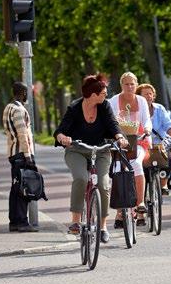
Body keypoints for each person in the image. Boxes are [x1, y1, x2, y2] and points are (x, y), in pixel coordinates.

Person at [54, 74, 129, 243]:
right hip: (77, 150)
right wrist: (63, 138)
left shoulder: (104, 107)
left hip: (100, 150)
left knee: (103, 185)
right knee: (81, 178)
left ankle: (102, 227)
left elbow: (113, 124)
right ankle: (75, 221)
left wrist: (120, 137)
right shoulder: (74, 108)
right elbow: (60, 130)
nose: (106, 96)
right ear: (93, 94)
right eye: (103, 93)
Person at [108, 72, 152, 228]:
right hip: (119, 142)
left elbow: (146, 119)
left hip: (138, 140)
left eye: (132, 84)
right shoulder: (113, 101)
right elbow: (111, 121)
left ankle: (140, 202)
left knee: (137, 165)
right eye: (126, 84)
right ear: (121, 85)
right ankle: (120, 211)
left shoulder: (141, 101)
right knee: (118, 170)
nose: (130, 87)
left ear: (136, 84)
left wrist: (147, 128)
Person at [2, 82, 38, 232]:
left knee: (15, 189)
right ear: (23, 92)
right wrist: (28, 156)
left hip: (13, 152)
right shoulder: (17, 110)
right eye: (27, 91)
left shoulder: (8, 107)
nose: (28, 94)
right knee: (24, 188)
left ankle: (14, 222)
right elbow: (22, 134)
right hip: (21, 154)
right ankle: (22, 222)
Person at [136, 83, 171, 199]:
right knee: (142, 170)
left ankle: (163, 182)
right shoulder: (136, 110)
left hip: (160, 143)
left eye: (150, 94)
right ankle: (142, 200)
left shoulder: (159, 108)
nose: (148, 96)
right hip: (143, 144)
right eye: (145, 94)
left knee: (169, 157)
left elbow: (168, 125)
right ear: (139, 97)